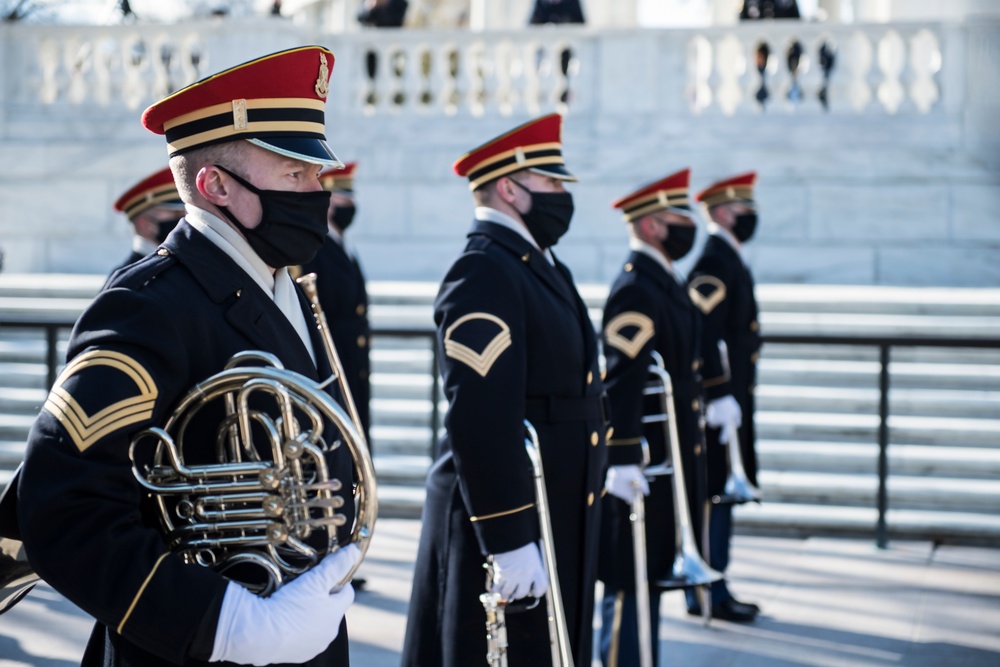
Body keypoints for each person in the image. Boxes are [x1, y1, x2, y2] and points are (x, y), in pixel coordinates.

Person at [4, 46, 362, 666]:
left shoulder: (282, 286)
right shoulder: (147, 306)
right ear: (216, 184)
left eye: (316, 175)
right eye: (295, 174)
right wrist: (230, 625)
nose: (317, 193)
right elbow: (61, 506)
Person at [401, 113, 609, 666]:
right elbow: (481, 420)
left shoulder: (536, 264)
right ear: (510, 188)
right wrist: (508, 539)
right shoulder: (484, 272)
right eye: (553, 182)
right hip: (505, 519)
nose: (563, 194)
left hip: (553, 507)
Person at [598, 168, 709, 664]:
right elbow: (622, 380)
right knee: (630, 577)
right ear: (648, 226)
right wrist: (621, 457)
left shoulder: (665, 280)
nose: (687, 226)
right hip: (642, 463)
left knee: (653, 572)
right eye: (676, 218)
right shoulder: (637, 288)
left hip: (669, 458)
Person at [685, 171, 763, 623]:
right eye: (741, 210)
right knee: (715, 496)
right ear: (718, 212)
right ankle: (710, 589)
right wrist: (717, 392)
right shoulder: (715, 261)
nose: (749, 217)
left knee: (720, 497)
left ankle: (711, 587)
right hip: (718, 408)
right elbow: (701, 332)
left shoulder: (727, 258)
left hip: (730, 403)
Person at [297, 162, 371, 449]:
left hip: (350, 357)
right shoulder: (316, 248)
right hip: (334, 357)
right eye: (344, 198)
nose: (350, 205)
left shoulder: (341, 244)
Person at [109, 166, 184, 276]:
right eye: (174, 213)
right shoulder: (128, 278)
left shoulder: (178, 266)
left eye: (184, 213)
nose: (182, 219)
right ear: (144, 224)